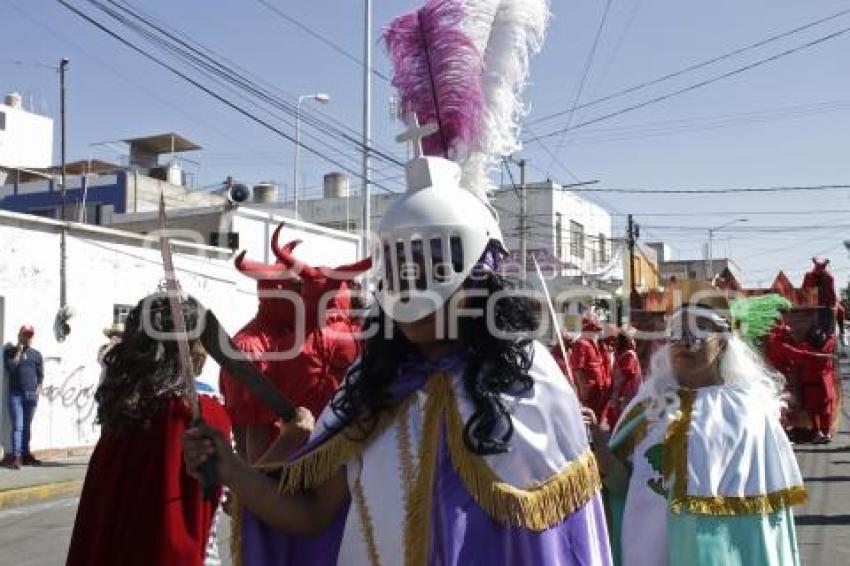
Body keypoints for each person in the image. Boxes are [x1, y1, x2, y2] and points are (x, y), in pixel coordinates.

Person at [591, 290, 806, 565]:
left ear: (723, 343)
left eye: (698, 333)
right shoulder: (648, 407)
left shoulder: (748, 412)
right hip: (645, 552)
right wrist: (599, 447)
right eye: (677, 334)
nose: (685, 343)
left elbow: (760, 523)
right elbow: (622, 487)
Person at [66, 293, 232, 566]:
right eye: (202, 340)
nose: (205, 351)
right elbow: (234, 498)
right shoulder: (203, 414)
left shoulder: (122, 409)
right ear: (187, 346)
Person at [3, 325, 44, 469]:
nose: (27, 338)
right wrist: (19, 352)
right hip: (16, 394)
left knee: (27, 426)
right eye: (25, 335)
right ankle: (17, 457)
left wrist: (39, 386)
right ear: (19, 335)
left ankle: (26, 455)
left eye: (29, 335)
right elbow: (11, 368)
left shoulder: (36, 354)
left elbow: (40, 374)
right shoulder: (10, 352)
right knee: (18, 426)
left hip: (31, 395)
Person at [571, 314, 613, 421]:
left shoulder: (596, 343)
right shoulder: (582, 344)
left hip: (599, 390)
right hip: (590, 392)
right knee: (589, 419)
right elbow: (577, 369)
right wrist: (584, 389)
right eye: (596, 329)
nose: (597, 333)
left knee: (597, 419)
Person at [604, 328, 642, 429]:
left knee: (617, 418)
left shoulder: (618, 354)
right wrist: (621, 394)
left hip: (618, 392)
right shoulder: (629, 355)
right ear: (628, 342)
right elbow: (628, 374)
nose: (635, 342)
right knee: (624, 418)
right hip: (626, 394)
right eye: (633, 340)